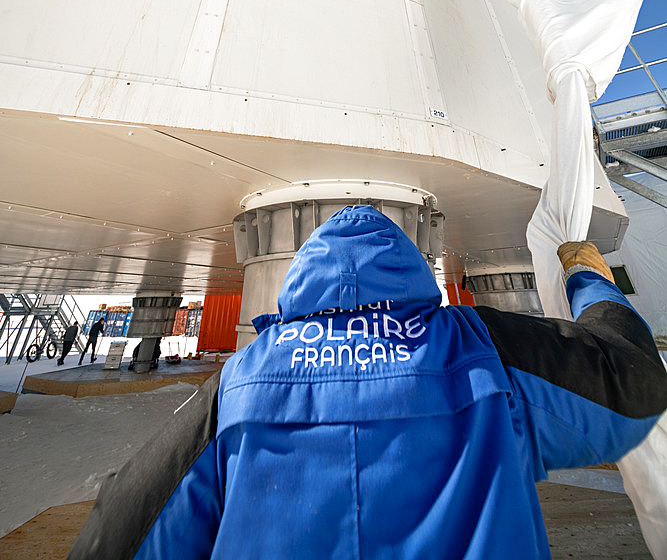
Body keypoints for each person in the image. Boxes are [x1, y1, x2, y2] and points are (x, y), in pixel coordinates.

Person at [69, 205, 667, 560]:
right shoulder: (481, 346)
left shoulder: (239, 384)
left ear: (300, 279)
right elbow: (632, 381)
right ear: (413, 269)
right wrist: (588, 278)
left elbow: (119, 531)